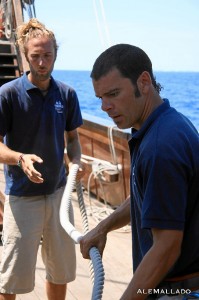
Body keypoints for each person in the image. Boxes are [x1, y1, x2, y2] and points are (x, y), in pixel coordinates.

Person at [80, 44, 199, 300]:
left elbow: (166, 247)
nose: (105, 107)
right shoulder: (167, 123)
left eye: (113, 94)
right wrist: (103, 228)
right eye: (100, 98)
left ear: (144, 82)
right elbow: (146, 195)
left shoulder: (161, 146)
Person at [0, 18, 84, 300]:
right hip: (22, 197)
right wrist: (19, 158)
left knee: (59, 272)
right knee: (10, 279)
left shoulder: (67, 94)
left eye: (47, 55)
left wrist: (76, 163)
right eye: (35, 56)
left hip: (59, 195)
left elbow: (72, 140)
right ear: (26, 56)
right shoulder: (8, 94)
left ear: (55, 55)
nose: (42, 62)